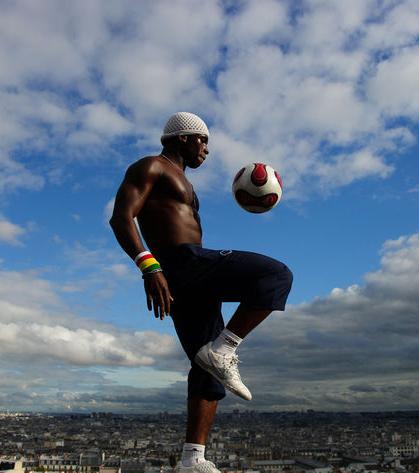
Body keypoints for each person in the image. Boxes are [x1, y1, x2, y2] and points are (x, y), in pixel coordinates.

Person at [109, 112, 293, 473]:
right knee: (276, 274)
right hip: (181, 263)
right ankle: (225, 349)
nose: (206, 150)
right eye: (203, 141)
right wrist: (150, 267)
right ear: (183, 138)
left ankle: (192, 460)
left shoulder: (185, 183)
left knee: (205, 367)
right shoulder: (151, 167)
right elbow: (121, 216)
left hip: (184, 277)